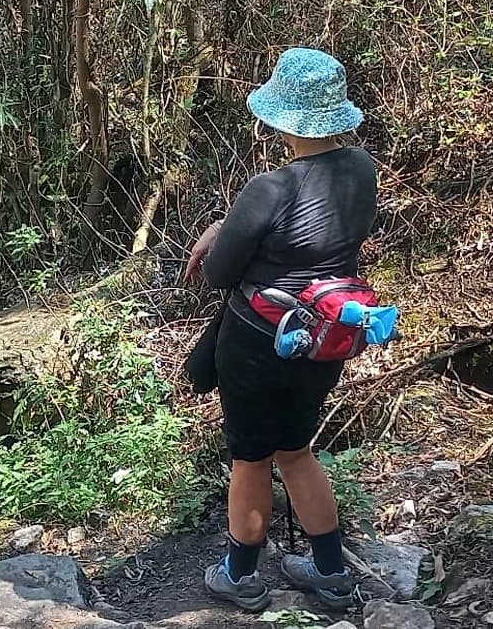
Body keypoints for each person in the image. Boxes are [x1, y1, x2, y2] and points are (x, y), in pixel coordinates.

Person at [184, 47, 375, 611]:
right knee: (295, 449)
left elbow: (219, 274)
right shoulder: (360, 170)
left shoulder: (269, 187)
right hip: (326, 334)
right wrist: (231, 225)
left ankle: (240, 575)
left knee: (251, 457)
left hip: (257, 340)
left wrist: (219, 232)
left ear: (282, 117)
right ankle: (331, 573)